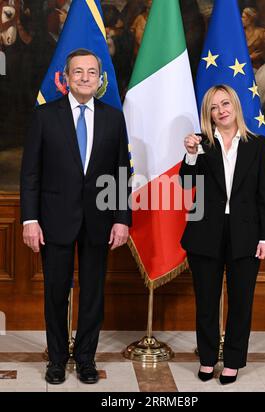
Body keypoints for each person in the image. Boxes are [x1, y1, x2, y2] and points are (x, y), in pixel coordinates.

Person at [20, 48, 132, 384]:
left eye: (91, 72)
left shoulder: (114, 117)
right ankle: (56, 360)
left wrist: (121, 218)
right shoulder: (44, 116)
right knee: (56, 293)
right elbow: (30, 175)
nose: (85, 78)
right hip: (53, 220)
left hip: (100, 221)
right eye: (78, 72)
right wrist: (29, 219)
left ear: (100, 79)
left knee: (93, 294)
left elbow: (121, 173)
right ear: (65, 78)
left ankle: (85, 359)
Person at [179, 84, 265, 385]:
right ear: (209, 114)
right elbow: (185, 184)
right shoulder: (202, 144)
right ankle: (208, 359)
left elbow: (264, 194)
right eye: (214, 107)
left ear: (235, 106)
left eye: (225, 104)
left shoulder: (257, 144)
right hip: (205, 234)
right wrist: (191, 155)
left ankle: (232, 361)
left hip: (246, 236)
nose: (221, 111)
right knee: (206, 302)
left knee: (241, 303)